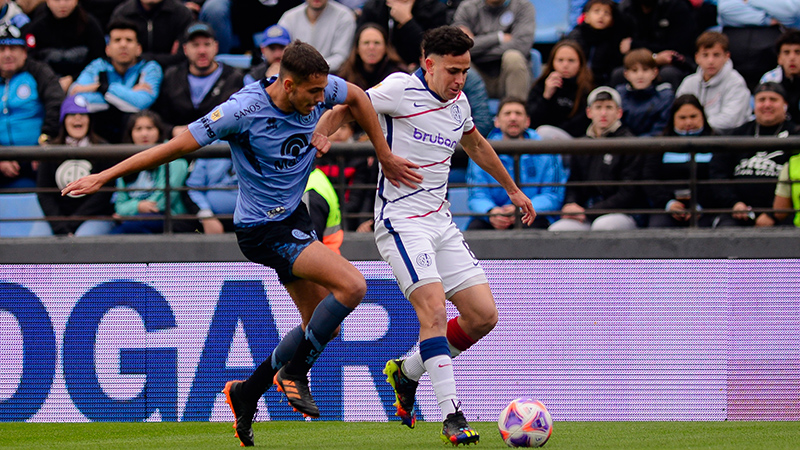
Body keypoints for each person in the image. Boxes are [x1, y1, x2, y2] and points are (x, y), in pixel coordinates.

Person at [61, 40, 421, 447]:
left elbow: (355, 96)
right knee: (354, 287)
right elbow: (172, 147)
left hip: (292, 218)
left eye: (324, 93)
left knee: (321, 325)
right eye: (314, 95)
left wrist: (382, 153)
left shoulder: (319, 87)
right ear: (288, 85)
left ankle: (246, 392)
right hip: (262, 231)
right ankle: (295, 372)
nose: (323, 100)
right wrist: (104, 176)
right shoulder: (240, 112)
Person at [317, 25, 535, 445]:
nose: (460, 79)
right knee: (433, 313)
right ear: (427, 63)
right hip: (401, 221)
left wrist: (512, 189)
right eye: (453, 70)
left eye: (465, 70)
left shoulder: (459, 102)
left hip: (442, 222)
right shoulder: (400, 89)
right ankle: (452, 415)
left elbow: (476, 145)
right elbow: (351, 103)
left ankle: (407, 370)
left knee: (483, 317)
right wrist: (323, 131)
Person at [548, 86, 645, 231]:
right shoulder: (581, 144)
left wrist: (590, 212)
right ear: (589, 112)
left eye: (609, 107)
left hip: (623, 213)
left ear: (619, 112)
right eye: (598, 107)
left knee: (602, 226)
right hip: (586, 212)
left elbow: (628, 193)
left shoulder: (630, 143)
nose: (603, 113)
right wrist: (571, 204)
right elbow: (574, 183)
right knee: (558, 230)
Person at [709, 82, 800, 228]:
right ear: (753, 104)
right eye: (761, 100)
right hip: (737, 212)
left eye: (773, 99)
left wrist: (772, 214)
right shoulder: (737, 134)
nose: (767, 104)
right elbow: (718, 173)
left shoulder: (796, 135)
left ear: (785, 104)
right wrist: (734, 204)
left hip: (782, 214)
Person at [467, 97, 566, 230]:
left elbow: (552, 196)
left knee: (535, 226)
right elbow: (477, 195)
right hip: (494, 218)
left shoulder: (546, 151)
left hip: (533, 216)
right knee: (475, 228)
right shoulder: (481, 152)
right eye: (507, 113)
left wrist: (522, 209)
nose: (513, 118)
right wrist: (491, 212)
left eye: (518, 113)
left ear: (527, 121)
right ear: (496, 121)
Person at [69, 19, 163, 143]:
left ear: (138, 48)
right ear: (108, 49)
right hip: (100, 137)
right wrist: (127, 94)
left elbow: (141, 103)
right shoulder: (98, 66)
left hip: (136, 141)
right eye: (117, 40)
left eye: (129, 40)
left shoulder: (150, 68)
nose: (123, 45)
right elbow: (77, 98)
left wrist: (99, 89)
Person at [35, 95, 115, 236]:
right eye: (72, 114)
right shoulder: (50, 150)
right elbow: (44, 193)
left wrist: (73, 223)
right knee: (35, 243)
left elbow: (104, 193)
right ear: (63, 120)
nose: (78, 118)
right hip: (57, 219)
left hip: (94, 216)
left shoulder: (103, 148)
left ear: (89, 120)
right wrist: (60, 226)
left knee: (81, 242)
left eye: (83, 114)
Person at [110, 110, 197, 234]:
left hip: (170, 218)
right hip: (135, 219)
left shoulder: (175, 160)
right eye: (138, 129)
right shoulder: (126, 162)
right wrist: (138, 206)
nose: (144, 134)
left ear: (159, 131)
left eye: (149, 128)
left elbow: (161, 202)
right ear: (130, 133)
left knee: (127, 230)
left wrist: (130, 210)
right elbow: (119, 206)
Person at [0, 23, 64, 189]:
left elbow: (55, 103)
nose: (7, 55)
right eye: (1, 49)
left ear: (24, 53)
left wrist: (45, 142)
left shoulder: (39, 72)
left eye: (13, 48)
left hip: (37, 156)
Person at [154, 22, 243, 138]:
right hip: (179, 145)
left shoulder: (234, 77)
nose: (202, 51)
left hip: (221, 145)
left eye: (207, 44)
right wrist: (172, 130)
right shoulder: (172, 76)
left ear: (216, 47)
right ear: (185, 49)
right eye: (195, 45)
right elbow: (159, 117)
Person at [643, 94, 716, 228]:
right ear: (673, 119)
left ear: (702, 116)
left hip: (706, 209)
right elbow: (649, 178)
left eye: (693, 116)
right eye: (682, 118)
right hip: (667, 208)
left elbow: (718, 178)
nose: (688, 122)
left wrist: (700, 205)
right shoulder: (660, 144)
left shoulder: (715, 142)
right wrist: (669, 204)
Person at [452, 0, 535, 101]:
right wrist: (498, 38)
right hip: (477, 74)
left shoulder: (523, 7)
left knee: (513, 57)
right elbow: (459, 47)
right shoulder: (467, 8)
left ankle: (515, 112)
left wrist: (476, 47)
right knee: (460, 61)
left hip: (507, 77)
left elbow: (521, 46)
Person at [675, 31, 751, 133]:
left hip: (728, 139)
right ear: (697, 58)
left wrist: (698, 125)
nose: (711, 61)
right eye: (705, 55)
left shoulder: (736, 82)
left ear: (726, 57)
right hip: (694, 135)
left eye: (716, 55)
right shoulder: (688, 82)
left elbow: (730, 121)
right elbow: (678, 114)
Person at [26, 0, 106, 92]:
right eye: (57, 0)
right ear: (48, 2)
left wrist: (72, 78)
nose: (62, 4)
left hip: (84, 83)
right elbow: (31, 60)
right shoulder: (36, 28)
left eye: (67, 0)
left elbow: (100, 58)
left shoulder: (90, 25)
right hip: (45, 83)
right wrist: (51, 80)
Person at [617, 0, 697, 89]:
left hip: (673, 63)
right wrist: (653, 58)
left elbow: (679, 47)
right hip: (635, 61)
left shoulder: (676, 6)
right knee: (619, 74)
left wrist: (635, 46)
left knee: (668, 73)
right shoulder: (625, 9)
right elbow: (621, 47)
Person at [526, 40, 594, 138]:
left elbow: (582, 123)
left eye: (571, 60)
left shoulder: (587, 88)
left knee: (545, 132)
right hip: (541, 139)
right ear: (552, 63)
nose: (565, 65)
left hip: (575, 141)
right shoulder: (541, 85)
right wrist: (546, 96)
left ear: (580, 64)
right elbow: (530, 120)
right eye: (560, 60)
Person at [357, 0, 447, 68]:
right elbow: (358, 47)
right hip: (379, 70)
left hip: (420, 71)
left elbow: (434, 51)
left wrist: (407, 21)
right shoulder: (373, 8)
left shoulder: (434, 9)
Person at [108, 0, 194, 69]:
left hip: (172, 74)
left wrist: (136, 56)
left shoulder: (181, 13)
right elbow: (116, 56)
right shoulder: (123, 13)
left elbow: (184, 57)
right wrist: (168, 57)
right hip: (131, 74)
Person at [278, 0, 356, 72]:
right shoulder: (288, 18)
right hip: (294, 75)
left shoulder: (344, 17)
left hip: (331, 77)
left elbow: (341, 57)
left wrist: (310, 69)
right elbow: (279, 51)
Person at [567, 0, 631, 87]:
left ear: (612, 20)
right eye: (596, 11)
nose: (601, 16)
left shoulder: (614, 40)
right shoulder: (576, 37)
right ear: (586, 17)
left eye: (606, 13)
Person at [616, 48, 674, 137]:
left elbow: (660, 128)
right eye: (634, 70)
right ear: (626, 74)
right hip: (624, 145)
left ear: (655, 72)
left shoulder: (665, 96)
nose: (640, 75)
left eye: (645, 69)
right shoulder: (619, 95)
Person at [336, 23, 406, 91]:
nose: (371, 47)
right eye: (366, 43)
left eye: (377, 43)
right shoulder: (344, 76)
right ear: (357, 48)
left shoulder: (398, 76)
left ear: (386, 48)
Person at [760, 29, 800, 125]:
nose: (792, 58)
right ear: (779, 59)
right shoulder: (769, 79)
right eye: (786, 52)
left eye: (798, 52)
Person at [303, 167, 343, 252]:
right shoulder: (316, 176)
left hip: (322, 259)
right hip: (328, 257)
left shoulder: (309, 193)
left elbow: (309, 249)